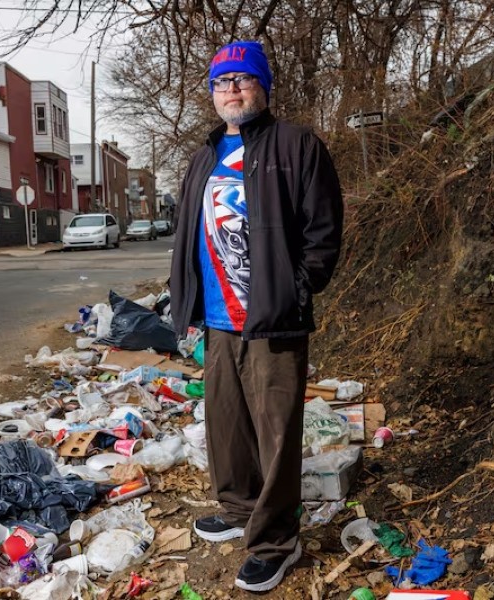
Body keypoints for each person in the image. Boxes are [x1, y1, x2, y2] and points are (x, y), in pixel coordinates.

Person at [169, 40, 344, 593]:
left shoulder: (297, 146)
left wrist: (295, 293)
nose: (233, 89)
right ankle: (240, 508)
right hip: (217, 320)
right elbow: (187, 237)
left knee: (275, 433)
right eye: (222, 82)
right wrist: (186, 304)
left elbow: (323, 233)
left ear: (262, 87)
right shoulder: (203, 156)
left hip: (272, 318)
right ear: (212, 93)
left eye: (243, 80)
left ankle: (275, 540)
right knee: (227, 425)